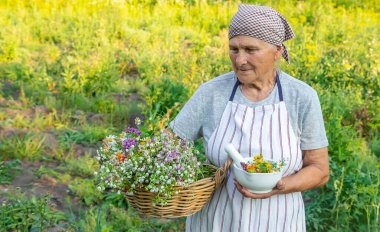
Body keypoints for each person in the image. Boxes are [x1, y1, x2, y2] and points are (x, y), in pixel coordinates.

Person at [169, 4, 329, 232]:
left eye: (250, 49)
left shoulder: (301, 97)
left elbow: (319, 169)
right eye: (234, 49)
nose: (239, 59)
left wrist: (280, 185)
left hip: (279, 222)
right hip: (215, 222)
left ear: (277, 51)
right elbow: (167, 144)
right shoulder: (211, 93)